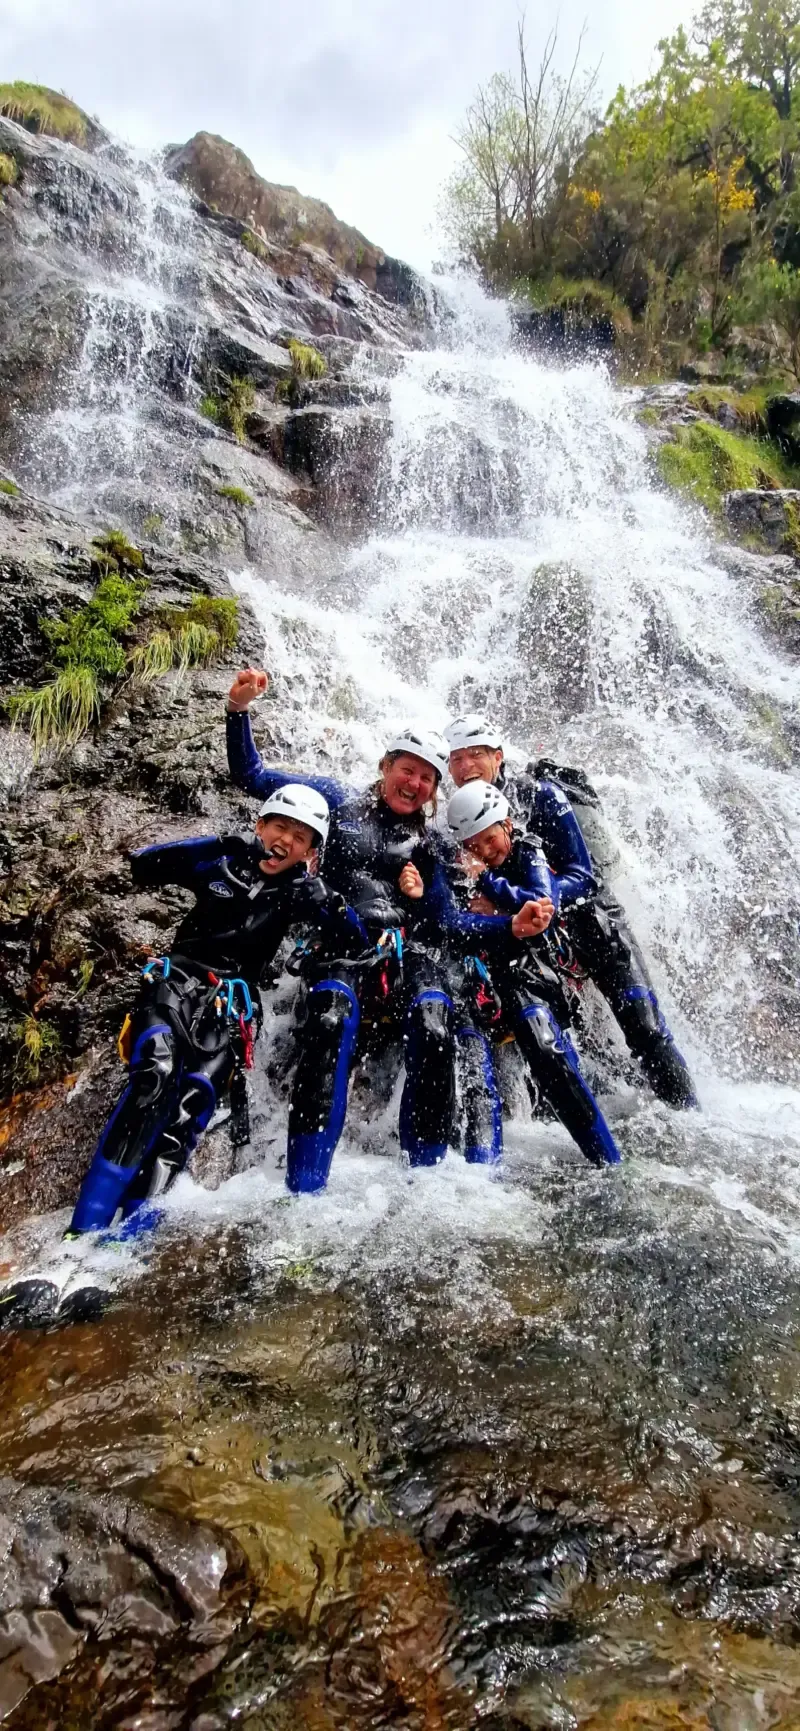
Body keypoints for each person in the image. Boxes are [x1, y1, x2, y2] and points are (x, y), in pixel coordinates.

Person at [226, 669, 548, 1188]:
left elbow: (446, 923)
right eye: (407, 770)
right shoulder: (336, 800)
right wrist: (239, 712)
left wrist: (511, 925)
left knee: (435, 1020)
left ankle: (424, 1177)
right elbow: (253, 777)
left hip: (407, 953)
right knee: (328, 1019)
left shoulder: (435, 844)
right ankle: (305, 1186)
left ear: (435, 790)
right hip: (342, 942)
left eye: (426, 777)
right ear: (385, 767)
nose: (414, 783)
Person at [66, 784, 367, 1234]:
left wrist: (336, 905)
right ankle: (83, 1229)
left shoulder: (299, 893)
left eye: (300, 837)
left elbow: (356, 942)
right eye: (279, 827)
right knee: (156, 1070)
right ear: (259, 826)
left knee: (193, 1101)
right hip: (176, 982)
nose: (284, 840)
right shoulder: (219, 865)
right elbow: (143, 865)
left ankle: (128, 1234)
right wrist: (218, 843)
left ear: (310, 852)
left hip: (233, 1006)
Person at [444, 714, 698, 1109]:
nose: (465, 767)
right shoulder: (457, 817)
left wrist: (524, 899)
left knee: (645, 1028)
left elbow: (583, 875)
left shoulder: (541, 796)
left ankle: (691, 1119)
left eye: (475, 755)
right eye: (456, 759)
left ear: (498, 756)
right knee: (560, 1044)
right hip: (536, 944)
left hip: (595, 927)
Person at [422, 783, 622, 1168]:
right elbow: (447, 924)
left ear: (508, 825)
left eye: (490, 839)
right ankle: (482, 1176)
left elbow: (541, 908)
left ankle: (607, 1161)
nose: (483, 851)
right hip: (469, 976)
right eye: (473, 845)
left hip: (523, 971)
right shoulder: (449, 862)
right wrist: (508, 922)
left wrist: (489, 887)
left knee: (544, 1045)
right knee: (474, 1069)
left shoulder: (527, 850)